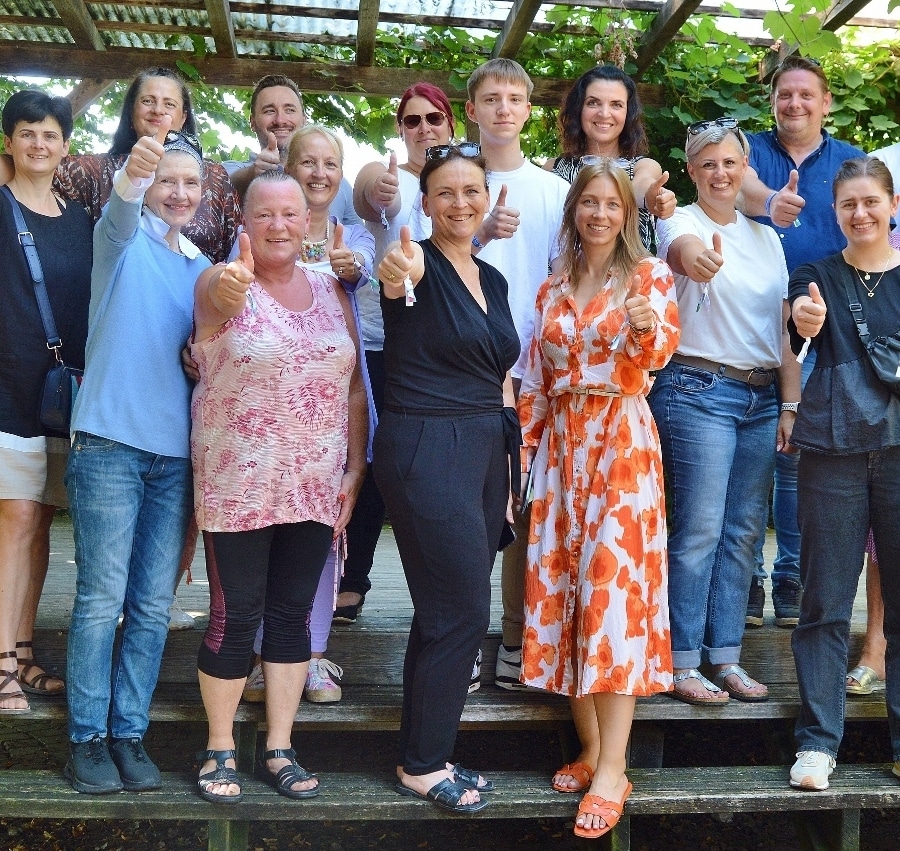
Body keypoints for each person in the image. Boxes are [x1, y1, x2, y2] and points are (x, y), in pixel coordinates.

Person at [191, 170, 367, 803]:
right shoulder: (219, 281)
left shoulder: (330, 289)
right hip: (237, 480)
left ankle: (279, 747)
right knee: (233, 618)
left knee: (291, 617)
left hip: (315, 482)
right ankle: (218, 750)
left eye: (290, 214)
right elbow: (219, 295)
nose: (279, 225)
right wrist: (230, 280)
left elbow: (351, 383)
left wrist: (355, 466)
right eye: (265, 214)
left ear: (307, 220)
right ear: (245, 220)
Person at [519, 160, 678, 838]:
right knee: (567, 599)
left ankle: (615, 766)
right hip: (560, 450)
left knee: (612, 603)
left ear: (628, 213)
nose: (599, 214)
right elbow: (534, 376)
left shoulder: (650, 278)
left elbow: (660, 353)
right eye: (588, 202)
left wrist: (642, 325)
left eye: (611, 204)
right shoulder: (552, 287)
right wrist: (523, 458)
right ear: (573, 211)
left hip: (620, 446)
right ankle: (588, 749)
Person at [64, 123, 211, 794]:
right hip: (109, 445)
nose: (177, 193)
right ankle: (86, 737)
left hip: (173, 456)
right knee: (101, 598)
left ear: (204, 194)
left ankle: (129, 732)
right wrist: (135, 172)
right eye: (165, 180)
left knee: (152, 605)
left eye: (190, 183)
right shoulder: (116, 241)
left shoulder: (205, 270)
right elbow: (122, 204)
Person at [375, 144, 519, 814]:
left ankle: (425, 751)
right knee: (462, 605)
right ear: (425, 202)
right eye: (445, 193)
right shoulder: (413, 262)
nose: (461, 203)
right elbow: (395, 280)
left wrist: (510, 470)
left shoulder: (493, 277)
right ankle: (424, 762)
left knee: (445, 606)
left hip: (486, 446)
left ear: (486, 196)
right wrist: (398, 269)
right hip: (425, 442)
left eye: (472, 191)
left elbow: (502, 376)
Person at [649, 118, 800, 705]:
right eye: (707, 163)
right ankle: (681, 659)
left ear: (745, 171)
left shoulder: (766, 238)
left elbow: (784, 329)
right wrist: (697, 261)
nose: (719, 173)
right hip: (697, 389)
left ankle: (726, 656)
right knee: (699, 529)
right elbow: (684, 255)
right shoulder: (678, 222)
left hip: (762, 399)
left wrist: (791, 402)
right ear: (691, 171)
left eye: (730, 163)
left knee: (742, 535)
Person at [240, 124, 376, 705]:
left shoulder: (356, 238)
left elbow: (366, 270)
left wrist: (352, 267)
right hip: (264, 415)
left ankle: (311, 655)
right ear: (288, 168)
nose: (319, 173)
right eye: (307, 162)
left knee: (323, 533)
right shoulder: (253, 238)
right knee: (264, 531)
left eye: (330, 164)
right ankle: (254, 654)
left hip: (333, 406)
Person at [739, 55, 864, 628]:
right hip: (744, 321)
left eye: (806, 95)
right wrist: (768, 200)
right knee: (751, 459)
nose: (794, 104)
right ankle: (746, 580)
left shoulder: (848, 162)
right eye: (785, 95)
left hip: (817, 326)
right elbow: (732, 178)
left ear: (826, 102)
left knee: (796, 461)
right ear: (773, 101)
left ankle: (789, 577)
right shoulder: (750, 149)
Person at [787, 155, 900, 791]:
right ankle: (817, 743)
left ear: (892, 205)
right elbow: (797, 330)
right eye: (848, 205)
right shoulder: (816, 276)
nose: (860, 214)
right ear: (836, 212)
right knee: (825, 602)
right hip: (832, 452)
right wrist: (805, 322)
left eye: (870, 202)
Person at [463, 57, 570, 693]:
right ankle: (463, 639)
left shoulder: (552, 191)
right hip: (463, 376)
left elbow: (565, 278)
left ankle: (513, 636)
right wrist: (478, 233)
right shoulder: (451, 179)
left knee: (525, 514)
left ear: (529, 110)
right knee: (470, 514)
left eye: (514, 98)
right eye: (491, 99)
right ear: (471, 109)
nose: (503, 109)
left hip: (535, 376)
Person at [342, 83, 456, 627]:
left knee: (426, 473)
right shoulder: (389, 177)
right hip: (379, 344)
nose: (424, 128)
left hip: (440, 350)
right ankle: (353, 579)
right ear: (400, 129)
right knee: (371, 461)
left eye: (434, 118)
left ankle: (438, 601)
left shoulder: (462, 181)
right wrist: (380, 188)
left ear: (452, 125)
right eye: (412, 121)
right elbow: (370, 190)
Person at [0, 90, 92, 712]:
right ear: (8, 141)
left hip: (63, 391)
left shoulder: (78, 216)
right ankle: (3, 659)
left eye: (50, 133)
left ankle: (25, 652)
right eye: (26, 132)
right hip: (4, 386)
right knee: (16, 520)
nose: (38, 143)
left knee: (41, 527)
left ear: (65, 144)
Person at [544, 64, 676, 250]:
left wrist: (652, 198)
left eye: (616, 105)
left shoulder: (643, 166)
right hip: (562, 277)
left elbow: (640, 186)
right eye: (593, 102)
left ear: (628, 113)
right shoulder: (553, 169)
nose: (604, 113)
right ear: (578, 109)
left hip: (630, 278)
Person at [222, 74, 359, 226]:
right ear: (252, 122)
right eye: (269, 111)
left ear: (304, 119)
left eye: (290, 110)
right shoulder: (226, 171)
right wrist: (252, 174)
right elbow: (224, 187)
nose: (280, 120)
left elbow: (358, 237)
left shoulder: (335, 183)